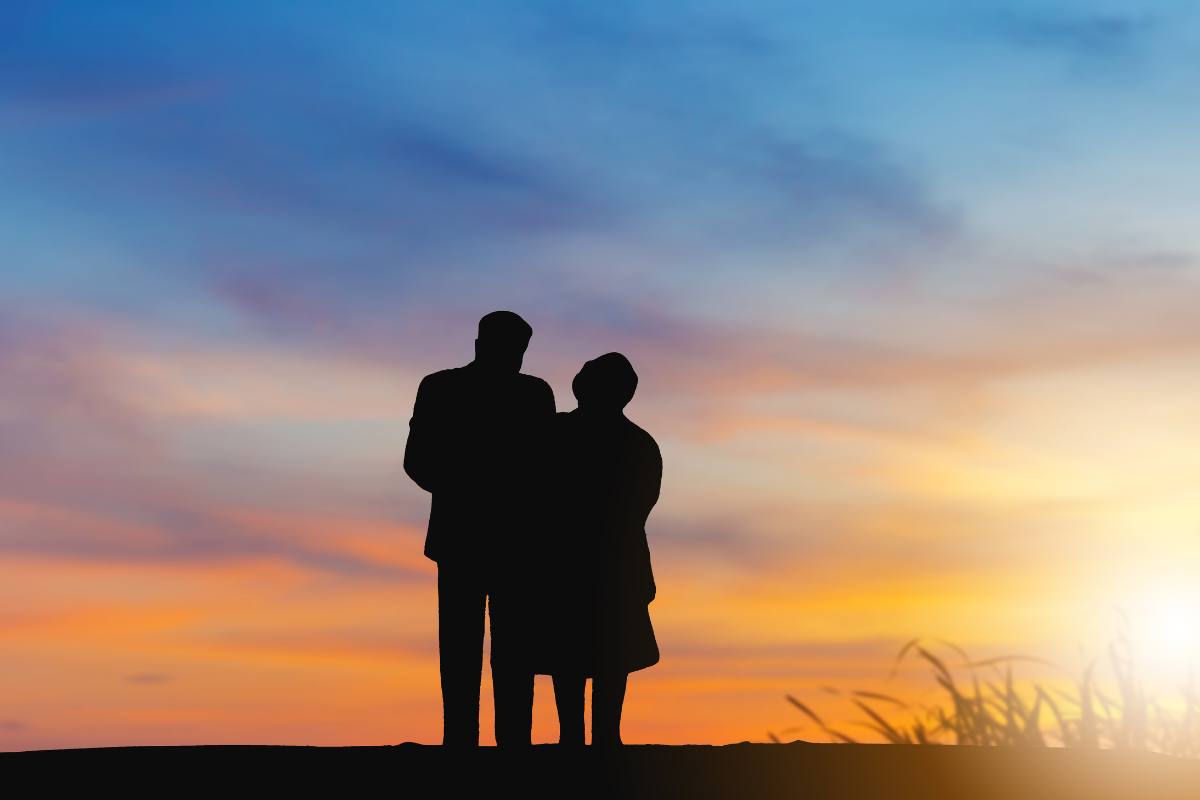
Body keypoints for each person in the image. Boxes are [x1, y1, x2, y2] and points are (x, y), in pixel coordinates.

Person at [403, 311, 555, 746]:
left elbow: (548, 467)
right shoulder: (442, 387)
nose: (516, 358)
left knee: (505, 645)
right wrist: (471, 487)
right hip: (476, 536)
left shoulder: (531, 393)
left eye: (519, 350)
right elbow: (418, 461)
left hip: (500, 539)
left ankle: (503, 740)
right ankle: (467, 739)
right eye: (510, 348)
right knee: (466, 645)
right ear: (481, 343)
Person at [534, 352, 662, 746]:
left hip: (592, 560)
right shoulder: (637, 443)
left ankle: (597, 734)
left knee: (597, 653)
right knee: (577, 651)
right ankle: (585, 734)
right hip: (582, 560)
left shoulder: (634, 444)